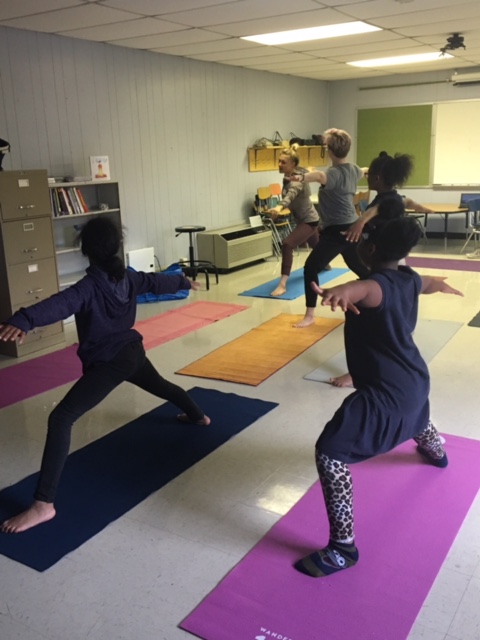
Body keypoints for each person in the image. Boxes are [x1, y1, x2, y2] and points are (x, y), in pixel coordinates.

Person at [0, 217, 210, 534]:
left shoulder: (89, 287)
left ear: (86, 251)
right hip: (131, 353)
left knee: (61, 418)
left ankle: (44, 505)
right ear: (116, 247)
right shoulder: (126, 277)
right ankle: (198, 417)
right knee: (163, 386)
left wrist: (25, 319)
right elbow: (153, 282)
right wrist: (182, 281)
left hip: (111, 361)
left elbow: (60, 303)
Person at [294, 215, 462, 579]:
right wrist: (441, 284)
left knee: (331, 452)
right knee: (416, 416)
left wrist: (341, 293)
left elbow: (362, 291)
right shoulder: (410, 278)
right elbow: (428, 283)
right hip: (415, 379)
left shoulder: (372, 285)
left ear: (368, 249)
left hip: (386, 392)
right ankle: (435, 450)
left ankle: (343, 548)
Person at [331, 151, 433, 387]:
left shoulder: (384, 201)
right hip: (394, 261)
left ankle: (357, 371)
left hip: (384, 262)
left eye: (369, 176)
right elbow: (409, 203)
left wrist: (358, 224)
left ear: (377, 178)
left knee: (370, 323)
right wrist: (425, 208)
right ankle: (380, 360)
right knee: (392, 314)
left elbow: (370, 213)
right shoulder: (397, 198)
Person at [287, 128, 370, 328]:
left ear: (329, 150)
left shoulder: (330, 174)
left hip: (337, 231)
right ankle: (377, 299)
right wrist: (370, 171)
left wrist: (297, 177)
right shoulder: (353, 169)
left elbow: (316, 177)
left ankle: (309, 315)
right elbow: (364, 170)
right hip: (352, 226)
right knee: (359, 268)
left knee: (310, 268)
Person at [265, 145, 329, 297]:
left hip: (309, 220)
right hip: (306, 219)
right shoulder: (294, 174)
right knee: (317, 247)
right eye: (279, 161)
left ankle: (282, 284)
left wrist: (279, 207)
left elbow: (291, 194)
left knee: (287, 244)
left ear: (292, 164)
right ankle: (326, 264)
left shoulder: (297, 181)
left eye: (283, 162)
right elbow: (305, 171)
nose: (279, 164)